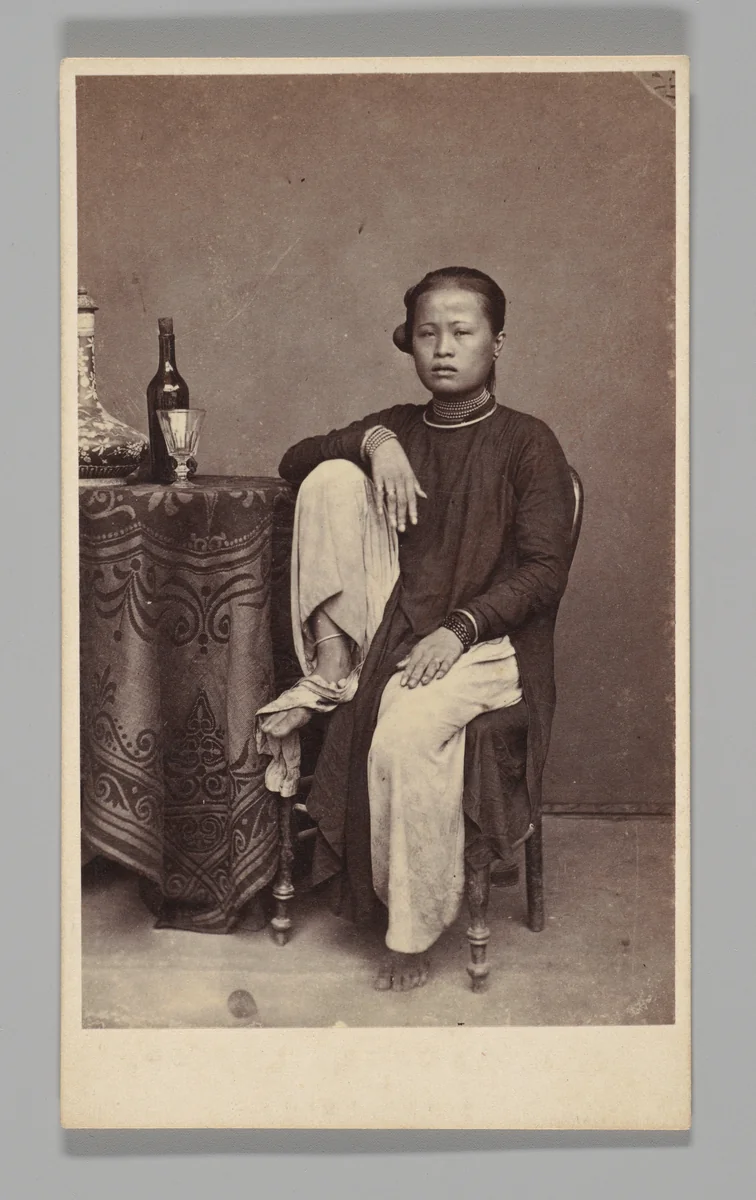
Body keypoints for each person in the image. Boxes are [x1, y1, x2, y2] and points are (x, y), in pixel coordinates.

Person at [256, 266, 576, 992]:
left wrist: (459, 629)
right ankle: (335, 662)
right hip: (392, 624)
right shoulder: (399, 426)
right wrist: (372, 442)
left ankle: (412, 932)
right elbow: (293, 460)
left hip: (487, 642)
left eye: (463, 332)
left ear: (498, 341)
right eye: (428, 332)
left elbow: (542, 573)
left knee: (402, 736)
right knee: (330, 476)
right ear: (408, 342)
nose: (444, 347)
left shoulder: (529, 443)